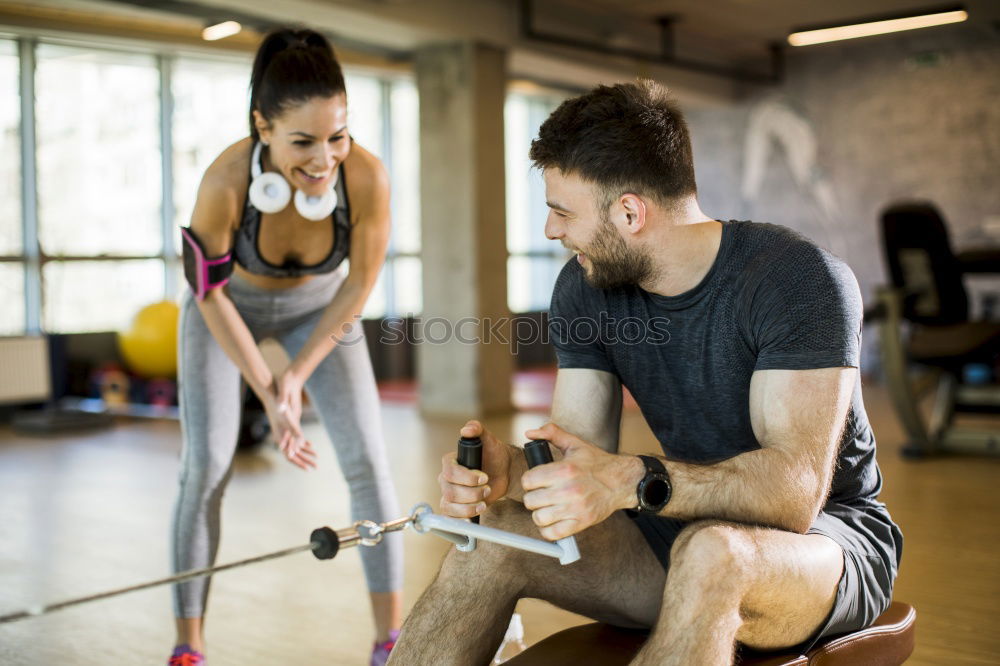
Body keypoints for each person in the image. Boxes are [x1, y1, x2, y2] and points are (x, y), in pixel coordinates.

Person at [388, 80, 902, 665]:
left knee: (714, 555)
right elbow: (577, 454)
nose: (551, 232)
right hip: (679, 528)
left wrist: (632, 479)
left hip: (826, 544)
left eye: (561, 212)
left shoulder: (798, 281)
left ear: (630, 211)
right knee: (496, 536)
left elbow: (792, 497)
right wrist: (514, 472)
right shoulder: (586, 289)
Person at [169, 28, 402, 666]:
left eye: (337, 135)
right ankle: (188, 645)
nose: (323, 159)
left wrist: (296, 375)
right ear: (262, 128)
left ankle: (389, 639)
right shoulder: (224, 180)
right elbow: (209, 294)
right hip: (227, 309)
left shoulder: (366, 178)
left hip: (319, 312)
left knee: (366, 463)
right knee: (207, 465)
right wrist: (269, 390)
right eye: (302, 141)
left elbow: (358, 282)